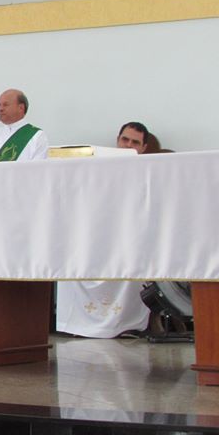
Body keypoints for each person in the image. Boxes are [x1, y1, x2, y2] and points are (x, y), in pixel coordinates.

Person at [55, 120, 158, 338]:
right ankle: (76, 323)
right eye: (125, 139)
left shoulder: (149, 174)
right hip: (96, 236)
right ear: (117, 140)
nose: (128, 145)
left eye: (135, 142)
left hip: (129, 237)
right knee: (72, 255)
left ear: (143, 148)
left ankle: (127, 324)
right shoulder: (96, 169)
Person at [0, 88, 49, 162]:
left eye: (5, 105)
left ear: (21, 108)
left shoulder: (37, 136)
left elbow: (38, 167)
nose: (0, 109)